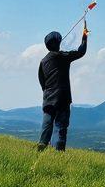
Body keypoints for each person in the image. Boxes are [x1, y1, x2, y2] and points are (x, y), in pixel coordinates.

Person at [37, 22, 88, 152]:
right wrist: (84, 36)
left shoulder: (43, 61)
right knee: (60, 126)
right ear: (57, 43)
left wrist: (48, 93)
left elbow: (42, 81)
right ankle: (57, 154)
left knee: (46, 126)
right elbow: (81, 52)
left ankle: (40, 149)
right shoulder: (62, 56)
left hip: (48, 98)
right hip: (62, 98)